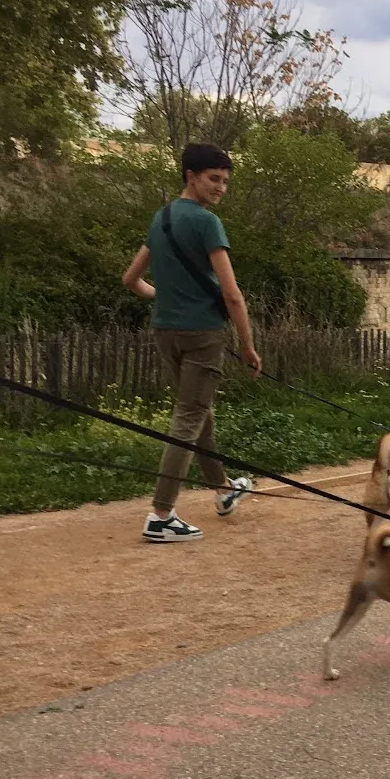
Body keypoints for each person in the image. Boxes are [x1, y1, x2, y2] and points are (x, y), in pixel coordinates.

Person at [121, 143, 262, 543]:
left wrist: (161, 296)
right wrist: (248, 346)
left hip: (165, 331)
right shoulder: (206, 222)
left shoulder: (160, 218)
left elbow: (131, 279)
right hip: (202, 335)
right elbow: (232, 295)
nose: (220, 188)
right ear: (191, 176)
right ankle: (161, 515)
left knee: (197, 412)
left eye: (225, 181)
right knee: (187, 420)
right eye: (213, 179)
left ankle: (222, 490)